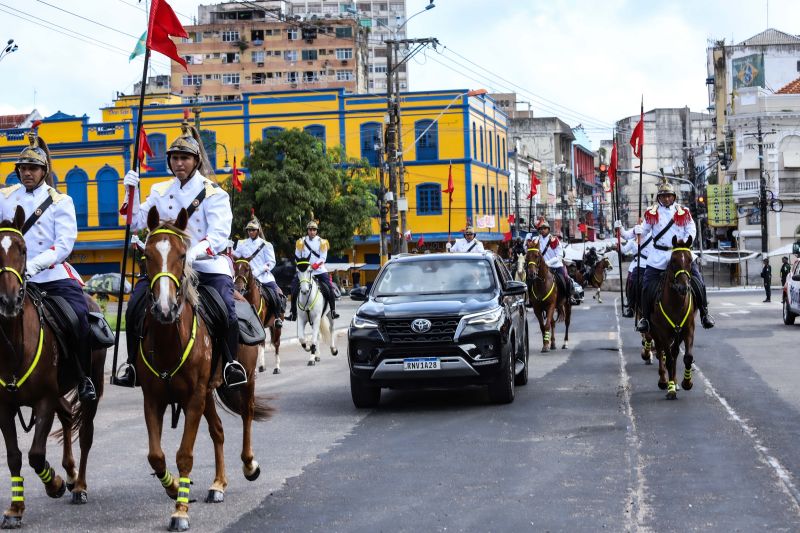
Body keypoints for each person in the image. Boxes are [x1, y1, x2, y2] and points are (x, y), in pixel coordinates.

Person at [114, 119, 247, 388]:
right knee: (134, 308)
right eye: (174, 158)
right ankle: (131, 365)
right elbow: (135, 222)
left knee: (226, 309)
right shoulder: (160, 190)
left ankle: (231, 363)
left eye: (185, 158)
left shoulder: (214, 193)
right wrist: (132, 191)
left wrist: (191, 254)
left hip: (206, 266)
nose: (179, 163)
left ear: (196, 160)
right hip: (167, 266)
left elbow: (219, 234)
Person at [0, 131, 97, 401]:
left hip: (50, 277)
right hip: (9, 274)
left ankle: (83, 377)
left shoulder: (60, 201)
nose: (27, 173)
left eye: (33, 168)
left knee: (79, 317)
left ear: (44, 171)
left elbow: (64, 244)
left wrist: (32, 266)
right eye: (23, 168)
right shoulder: (4, 197)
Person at [630, 177, 715, 332]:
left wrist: (686, 241)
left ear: (674, 197)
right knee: (646, 285)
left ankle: (704, 313)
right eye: (663, 196)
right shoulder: (651, 212)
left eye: (669, 195)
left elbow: (691, 228)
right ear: (659, 198)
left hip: (680, 252)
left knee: (698, 281)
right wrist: (637, 230)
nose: (666, 198)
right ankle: (645, 319)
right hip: (659, 255)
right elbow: (644, 229)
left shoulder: (684, 211)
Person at [233, 215, 284, 327]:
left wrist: (258, 271)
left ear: (258, 231)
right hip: (245, 276)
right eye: (249, 230)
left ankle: (276, 317)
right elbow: (236, 256)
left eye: (253, 230)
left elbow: (271, 262)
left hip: (263, 277)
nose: (251, 232)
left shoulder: (266, 245)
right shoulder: (242, 243)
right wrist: (229, 250)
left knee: (276, 294)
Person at [287, 220, 338, 321]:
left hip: (318, 270)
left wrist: (314, 266)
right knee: (294, 288)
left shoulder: (322, 242)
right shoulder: (301, 241)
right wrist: (302, 265)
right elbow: (297, 256)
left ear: (316, 231)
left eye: (314, 230)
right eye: (310, 229)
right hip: (304, 271)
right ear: (307, 230)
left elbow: (323, 258)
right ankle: (293, 312)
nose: (312, 231)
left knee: (329, 288)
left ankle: (333, 311)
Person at [532, 220, 580, 305]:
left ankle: (569, 297)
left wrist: (547, 263)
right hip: (540, 267)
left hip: (555, 266)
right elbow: (531, 252)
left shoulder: (555, 240)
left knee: (566, 279)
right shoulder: (535, 240)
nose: (542, 230)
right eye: (540, 229)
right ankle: (530, 299)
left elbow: (559, 256)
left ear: (548, 229)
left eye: (544, 228)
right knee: (529, 279)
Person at [616, 224, 653, 318]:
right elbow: (624, 247)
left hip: (652, 263)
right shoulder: (632, 241)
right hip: (637, 264)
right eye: (635, 233)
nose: (636, 235)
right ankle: (631, 306)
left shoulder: (652, 236)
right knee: (631, 282)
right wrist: (618, 239)